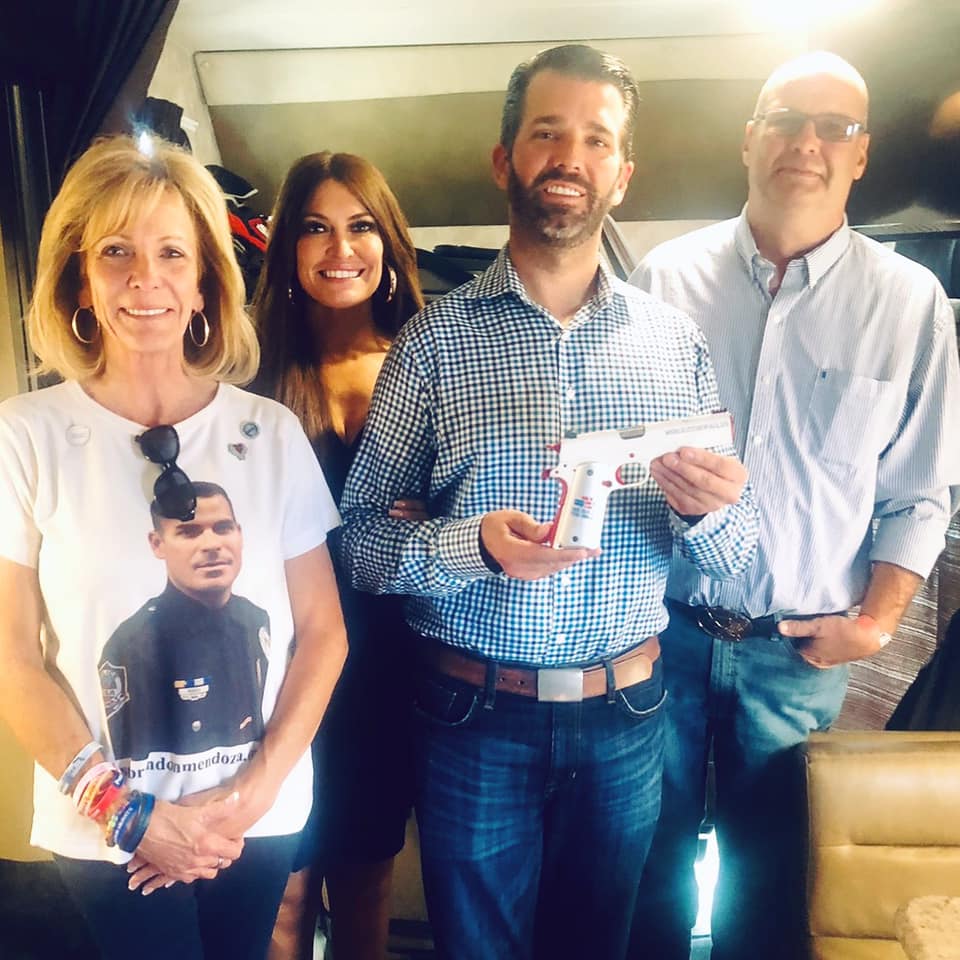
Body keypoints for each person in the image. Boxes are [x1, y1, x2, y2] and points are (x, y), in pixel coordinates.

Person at [339, 44, 759, 960]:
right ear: (506, 160)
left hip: (632, 716)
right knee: (475, 948)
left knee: (598, 945)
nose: (571, 156)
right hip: (471, 717)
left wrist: (710, 513)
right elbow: (360, 546)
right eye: (547, 133)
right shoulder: (433, 346)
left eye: (596, 139)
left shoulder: (675, 347)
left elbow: (740, 558)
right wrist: (471, 548)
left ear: (622, 172)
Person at [627, 51, 960, 960]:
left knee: (772, 879)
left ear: (860, 155)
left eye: (834, 128)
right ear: (749, 139)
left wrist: (878, 624)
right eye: (784, 119)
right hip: (659, 633)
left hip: (798, 648)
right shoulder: (662, 280)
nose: (805, 143)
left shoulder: (911, 304)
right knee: (640, 865)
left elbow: (922, 490)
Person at [0, 135, 348, 960]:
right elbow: (12, 656)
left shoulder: (270, 433)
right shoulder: (23, 437)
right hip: (105, 829)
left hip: (252, 822)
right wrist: (128, 814)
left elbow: (323, 633)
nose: (143, 278)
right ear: (79, 278)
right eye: (115, 252)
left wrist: (252, 796)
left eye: (170, 252)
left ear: (204, 284)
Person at [251, 151, 425, 960]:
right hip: (281, 660)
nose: (339, 248)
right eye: (315, 228)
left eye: (359, 226)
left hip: (393, 661)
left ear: (388, 244)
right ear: (287, 246)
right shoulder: (248, 373)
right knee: (283, 890)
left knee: (365, 883)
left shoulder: (425, 366)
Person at [100, 482, 270, 762]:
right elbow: (135, 761)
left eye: (223, 528)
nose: (212, 544)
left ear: (239, 534)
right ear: (157, 544)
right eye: (189, 532)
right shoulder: (132, 644)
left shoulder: (255, 620)